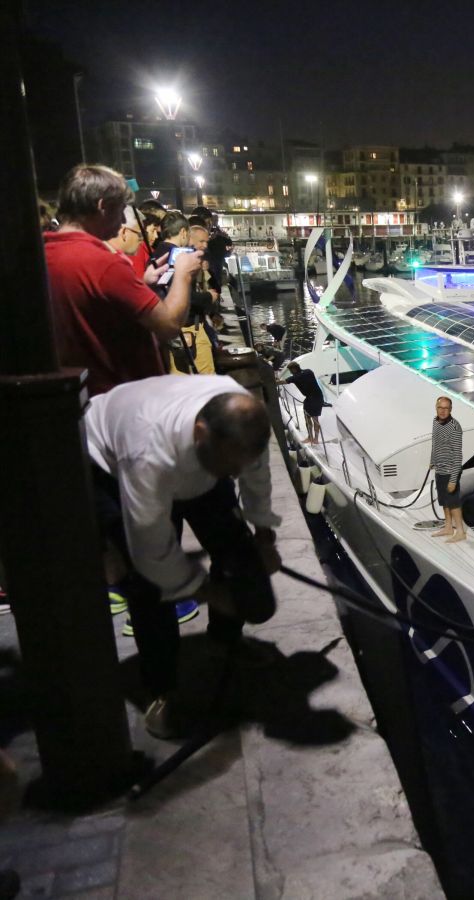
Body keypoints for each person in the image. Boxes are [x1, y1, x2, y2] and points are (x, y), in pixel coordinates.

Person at [86, 374, 282, 738]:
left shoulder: (243, 423)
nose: (235, 474)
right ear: (200, 434)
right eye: (229, 467)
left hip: (195, 458)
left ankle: (226, 640)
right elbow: (152, 550)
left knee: (236, 549)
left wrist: (263, 536)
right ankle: (161, 688)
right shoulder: (148, 453)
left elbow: (255, 478)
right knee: (148, 585)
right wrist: (209, 592)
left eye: (239, 465)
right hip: (109, 461)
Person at [44, 165, 200, 396]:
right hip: (120, 398)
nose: (121, 223)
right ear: (102, 207)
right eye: (120, 211)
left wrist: (143, 284)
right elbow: (168, 325)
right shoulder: (104, 264)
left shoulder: (43, 253)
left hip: (81, 396)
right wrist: (184, 273)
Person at [429, 396, 466, 542]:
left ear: (450, 409)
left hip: (451, 471)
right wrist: (433, 460)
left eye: (446, 408)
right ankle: (448, 527)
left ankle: (461, 532)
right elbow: (435, 442)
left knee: (453, 503)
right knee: (444, 501)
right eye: (440, 408)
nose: (443, 411)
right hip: (440, 469)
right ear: (436, 408)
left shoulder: (455, 428)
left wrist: (453, 480)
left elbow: (458, 455)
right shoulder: (435, 421)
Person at [279, 362, 325, 444]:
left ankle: (315, 439)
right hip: (317, 397)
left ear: (294, 369)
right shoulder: (309, 371)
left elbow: (282, 382)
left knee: (313, 419)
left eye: (290, 370)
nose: (290, 372)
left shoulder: (295, 377)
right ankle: (312, 438)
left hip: (313, 399)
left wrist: (271, 381)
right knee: (310, 418)